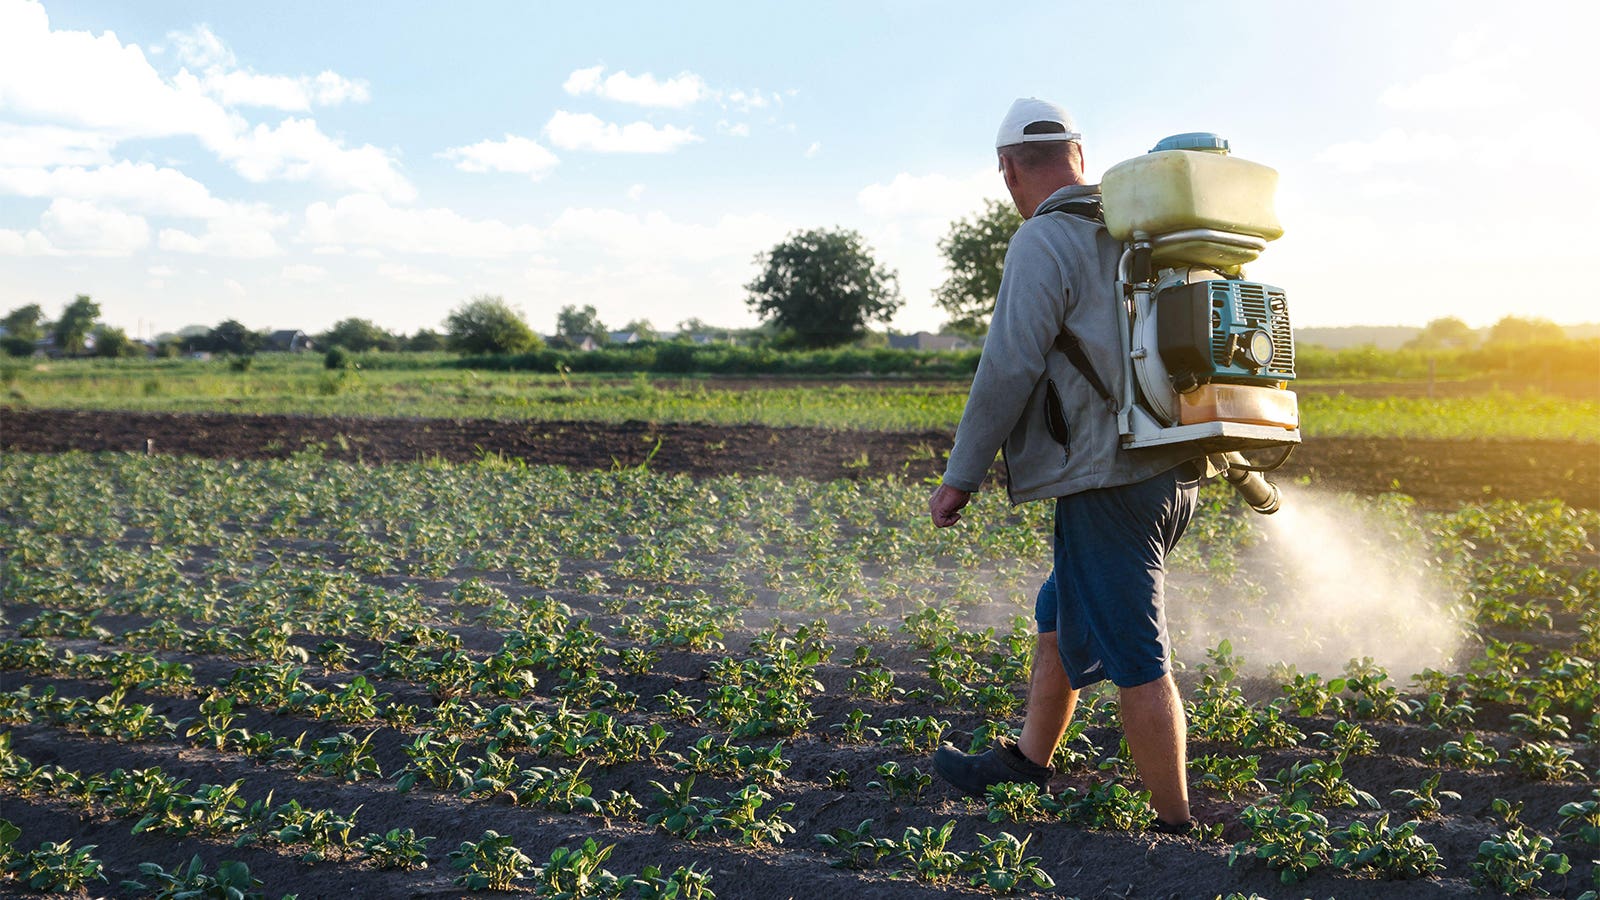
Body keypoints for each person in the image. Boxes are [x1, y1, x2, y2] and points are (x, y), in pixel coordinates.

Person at [928, 97, 1202, 833]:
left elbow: (1008, 364)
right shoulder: (1140, 228)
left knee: (1138, 653)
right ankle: (1027, 759)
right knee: (1060, 607)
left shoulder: (1043, 241)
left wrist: (962, 473)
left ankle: (1176, 827)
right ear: (1080, 155)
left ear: (1008, 169)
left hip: (1108, 480)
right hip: (1173, 471)